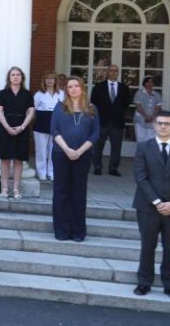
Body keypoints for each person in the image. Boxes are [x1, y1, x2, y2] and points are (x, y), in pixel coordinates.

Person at [50, 76, 100, 242]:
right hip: (61, 154)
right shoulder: (60, 107)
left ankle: (78, 231)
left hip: (83, 156)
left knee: (78, 194)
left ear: (82, 88)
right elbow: (54, 130)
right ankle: (62, 231)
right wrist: (67, 149)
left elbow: (95, 134)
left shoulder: (92, 109)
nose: (73, 89)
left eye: (76, 86)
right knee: (61, 193)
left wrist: (79, 151)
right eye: (69, 86)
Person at [132, 110, 170, 297]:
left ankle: (168, 283)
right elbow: (141, 177)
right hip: (147, 207)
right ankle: (144, 282)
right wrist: (157, 202)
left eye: (167, 124)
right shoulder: (143, 147)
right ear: (154, 125)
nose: (163, 126)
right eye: (160, 123)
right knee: (148, 245)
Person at [0, 66, 35, 199]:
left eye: (18, 74)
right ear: (9, 78)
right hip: (5, 129)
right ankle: (5, 189)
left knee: (19, 160)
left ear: (22, 77)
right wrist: (7, 127)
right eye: (13, 75)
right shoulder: (3, 93)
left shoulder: (27, 94)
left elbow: (30, 112)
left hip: (21, 130)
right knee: (5, 160)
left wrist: (22, 127)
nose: (16, 77)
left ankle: (16, 189)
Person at [90, 64, 131, 176]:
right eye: (111, 71)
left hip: (117, 122)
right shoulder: (99, 87)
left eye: (115, 71)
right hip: (101, 121)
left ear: (118, 73)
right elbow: (93, 102)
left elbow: (126, 103)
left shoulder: (124, 88)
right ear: (107, 72)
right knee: (98, 146)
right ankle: (97, 167)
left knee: (116, 147)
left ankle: (113, 168)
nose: (113, 73)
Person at [33, 71, 63, 181]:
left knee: (53, 150)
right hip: (41, 123)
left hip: (56, 124)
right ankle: (41, 171)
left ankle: (51, 171)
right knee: (41, 150)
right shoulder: (38, 94)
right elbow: (34, 110)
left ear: (56, 80)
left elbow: (64, 110)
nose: (50, 81)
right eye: (47, 78)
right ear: (44, 81)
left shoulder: (61, 94)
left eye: (52, 78)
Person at [133, 76, 161, 143]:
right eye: (148, 82)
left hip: (152, 120)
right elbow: (138, 106)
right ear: (145, 83)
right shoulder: (139, 93)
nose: (150, 83)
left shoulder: (157, 94)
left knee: (151, 139)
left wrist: (152, 116)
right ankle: (141, 153)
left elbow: (158, 106)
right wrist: (146, 116)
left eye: (152, 82)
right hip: (140, 119)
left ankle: (149, 153)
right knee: (141, 139)